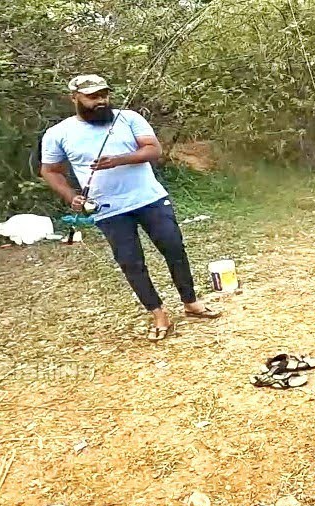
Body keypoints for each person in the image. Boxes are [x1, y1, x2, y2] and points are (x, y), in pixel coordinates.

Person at [40, 74, 220, 341]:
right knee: (131, 262)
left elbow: (153, 150)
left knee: (174, 248)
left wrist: (118, 160)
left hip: (150, 198)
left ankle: (190, 302)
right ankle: (158, 314)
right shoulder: (58, 134)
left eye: (104, 94)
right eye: (92, 97)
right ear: (74, 98)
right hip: (108, 209)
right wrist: (71, 196)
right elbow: (50, 170)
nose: (100, 101)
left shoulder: (129, 118)